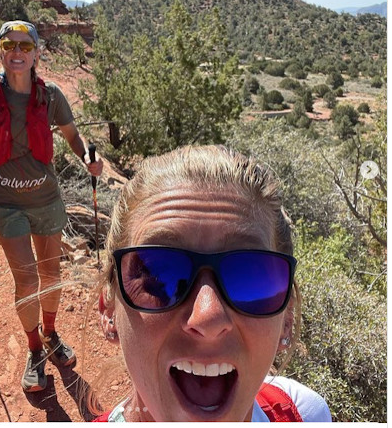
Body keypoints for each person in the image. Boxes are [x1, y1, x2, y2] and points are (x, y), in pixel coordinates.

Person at [93, 145, 331, 421]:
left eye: (248, 277)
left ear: (286, 320)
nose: (208, 318)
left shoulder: (305, 413)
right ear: (109, 311)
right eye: (160, 275)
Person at [0, 20, 103, 393]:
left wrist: (88, 157)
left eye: (25, 46)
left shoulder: (51, 96)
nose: (17, 52)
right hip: (6, 202)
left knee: (51, 276)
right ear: (0, 51)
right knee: (27, 280)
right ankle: (35, 349)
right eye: (10, 45)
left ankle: (51, 333)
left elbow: (72, 135)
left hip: (46, 199)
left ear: (37, 53)